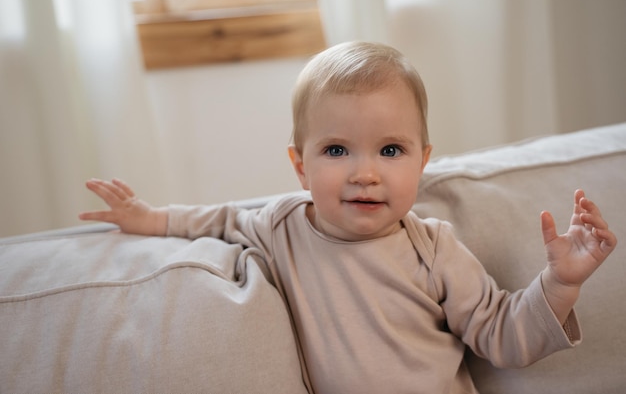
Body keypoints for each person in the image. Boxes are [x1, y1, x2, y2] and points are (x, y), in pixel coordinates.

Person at [79, 41, 617, 393]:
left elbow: (503, 334)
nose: (365, 173)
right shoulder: (281, 224)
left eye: (390, 151)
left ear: (423, 161)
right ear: (299, 165)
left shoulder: (434, 247)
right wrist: (149, 218)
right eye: (337, 151)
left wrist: (560, 281)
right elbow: (217, 220)